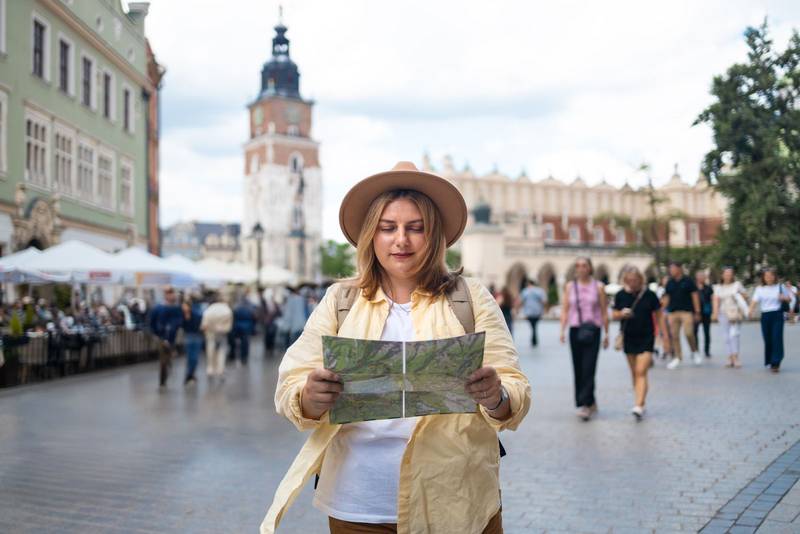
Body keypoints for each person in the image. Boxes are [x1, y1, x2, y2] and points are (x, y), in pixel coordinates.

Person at [261, 161, 531, 534]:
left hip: (458, 503)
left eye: (415, 228)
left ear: (434, 236)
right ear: (371, 235)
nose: (401, 240)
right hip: (358, 508)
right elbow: (291, 385)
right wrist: (309, 397)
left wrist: (495, 396)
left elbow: (514, 389)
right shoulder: (340, 300)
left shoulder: (471, 298)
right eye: (388, 228)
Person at [612, 267, 668, 419]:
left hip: (646, 337)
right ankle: (640, 401)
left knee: (641, 371)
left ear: (641, 280)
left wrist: (664, 338)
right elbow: (614, 314)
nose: (632, 283)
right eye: (629, 280)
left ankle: (638, 405)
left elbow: (659, 316)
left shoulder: (650, 295)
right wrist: (621, 313)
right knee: (634, 373)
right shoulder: (621, 295)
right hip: (629, 337)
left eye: (635, 280)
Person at [559, 257, 609, 421]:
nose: (581, 268)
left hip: (593, 330)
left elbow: (604, 311)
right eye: (578, 266)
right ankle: (590, 400)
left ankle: (585, 405)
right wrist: (562, 330)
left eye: (584, 265)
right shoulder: (570, 286)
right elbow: (565, 309)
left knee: (589, 367)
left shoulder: (599, 287)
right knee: (578, 367)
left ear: (590, 268)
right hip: (575, 330)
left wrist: (607, 334)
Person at [749, 268, 792, 373]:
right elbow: (754, 301)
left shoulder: (780, 287)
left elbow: (789, 299)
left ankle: (776, 362)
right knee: (767, 339)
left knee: (776, 338)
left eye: (771, 275)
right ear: (763, 277)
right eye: (766, 276)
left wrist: (784, 298)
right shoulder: (760, 289)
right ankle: (769, 360)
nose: (769, 277)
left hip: (777, 314)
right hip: (765, 316)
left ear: (774, 276)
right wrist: (750, 311)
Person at [662, 262, 701, 369]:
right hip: (673, 312)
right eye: (670, 269)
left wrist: (697, 312)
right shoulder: (670, 282)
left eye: (673, 268)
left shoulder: (688, 281)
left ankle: (694, 351)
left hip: (686, 312)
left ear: (679, 269)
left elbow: (695, 296)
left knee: (689, 333)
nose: (671, 271)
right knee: (674, 335)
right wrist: (663, 310)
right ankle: (678, 357)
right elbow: (667, 297)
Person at [712, 267, 748, 369]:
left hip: (735, 313)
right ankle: (729, 357)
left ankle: (736, 357)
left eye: (730, 274)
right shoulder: (718, 287)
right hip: (723, 313)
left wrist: (739, 296)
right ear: (722, 275)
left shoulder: (737, 285)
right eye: (726, 274)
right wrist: (715, 313)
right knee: (726, 336)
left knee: (734, 335)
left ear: (732, 275)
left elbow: (745, 296)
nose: (728, 276)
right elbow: (716, 300)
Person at [148, 287, 183, 389]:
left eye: (171, 293)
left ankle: (167, 367)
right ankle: (162, 380)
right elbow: (152, 321)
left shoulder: (176, 308)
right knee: (163, 358)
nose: (171, 296)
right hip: (161, 337)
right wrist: (156, 333)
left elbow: (179, 321)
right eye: (168, 293)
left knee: (167, 357)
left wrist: (174, 327)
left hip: (172, 336)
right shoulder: (158, 308)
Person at [201, 294, 233, 383]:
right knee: (221, 352)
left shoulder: (209, 310)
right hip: (222, 333)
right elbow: (229, 325)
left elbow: (204, 324)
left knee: (210, 351)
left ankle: (210, 369)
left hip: (211, 333)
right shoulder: (227, 310)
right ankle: (220, 369)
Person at [181, 296, 203, 387]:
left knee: (194, 358)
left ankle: (190, 374)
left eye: (185, 306)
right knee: (190, 358)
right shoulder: (182, 316)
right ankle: (189, 375)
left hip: (196, 336)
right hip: (188, 337)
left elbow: (200, 325)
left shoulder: (196, 314)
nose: (183, 308)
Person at [230, 297, 256, 366]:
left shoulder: (237, 308)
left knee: (237, 342)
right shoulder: (250, 308)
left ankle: (235, 355)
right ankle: (244, 357)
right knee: (245, 343)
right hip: (247, 327)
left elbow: (234, 318)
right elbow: (253, 318)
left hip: (238, 327)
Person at [520, 279, 547, 347]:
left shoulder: (525, 291)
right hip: (537, 311)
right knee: (534, 325)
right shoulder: (540, 291)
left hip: (529, 312)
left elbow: (522, 301)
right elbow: (544, 301)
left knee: (532, 326)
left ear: (528, 284)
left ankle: (534, 339)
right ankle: (534, 339)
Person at [694, 271, 714, 358]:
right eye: (699, 276)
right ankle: (696, 350)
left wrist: (713, 312)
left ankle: (707, 350)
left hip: (706, 312)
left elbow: (712, 299)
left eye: (703, 276)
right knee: (695, 332)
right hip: (696, 313)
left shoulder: (708, 288)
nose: (701, 278)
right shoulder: (693, 288)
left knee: (707, 332)